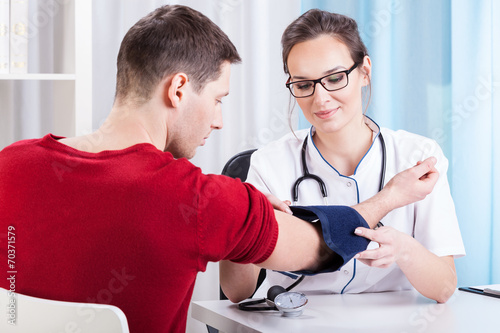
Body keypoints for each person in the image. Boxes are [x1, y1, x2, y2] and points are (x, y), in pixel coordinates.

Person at [0, 5, 438, 333]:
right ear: (178, 89)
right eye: (218, 99)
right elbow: (324, 246)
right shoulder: (200, 199)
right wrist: (392, 197)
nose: (218, 120)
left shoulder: (11, 163)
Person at [220, 9, 465, 305]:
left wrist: (404, 248)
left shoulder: (418, 157)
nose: (320, 98)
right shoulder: (268, 163)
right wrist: (243, 226)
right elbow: (237, 292)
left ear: (364, 72)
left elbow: (444, 287)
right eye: (303, 84)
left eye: (335, 78)